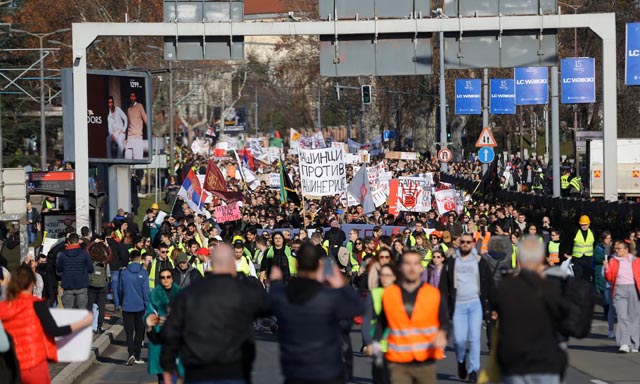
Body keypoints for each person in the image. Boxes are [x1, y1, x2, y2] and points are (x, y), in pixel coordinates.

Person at [160, 244, 271, 383]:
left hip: (198, 368)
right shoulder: (242, 291)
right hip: (233, 368)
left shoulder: (190, 293)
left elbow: (170, 331)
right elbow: (266, 307)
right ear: (232, 263)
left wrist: (168, 365)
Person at [269, 243, 363, 384]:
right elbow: (357, 307)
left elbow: (269, 299)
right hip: (327, 371)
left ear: (296, 264)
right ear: (319, 266)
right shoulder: (329, 296)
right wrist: (341, 285)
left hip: (295, 371)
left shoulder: (281, 295)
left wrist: (275, 282)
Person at [0, 266, 93, 384]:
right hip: (34, 365)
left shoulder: (3, 306)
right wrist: (82, 323)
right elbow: (54, 330)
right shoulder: (36, 305)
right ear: (32, 283)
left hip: (11, 367)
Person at [494, 236, 568, 384]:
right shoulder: (552, 289)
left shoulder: (505, 289)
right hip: (546, 362)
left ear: (519, 260)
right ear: (541, 258)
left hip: (514, 363)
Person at [370, 250, 449, 384]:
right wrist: (375, 344)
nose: (412, 268)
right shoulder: (390, 294)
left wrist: (443, 334)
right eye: (407, 263)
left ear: (421, 268)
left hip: (425, 362)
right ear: (400, 268)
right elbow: (382, 323)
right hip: (398, 361)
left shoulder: (433, 294)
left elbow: (445, 323)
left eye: (415, 263)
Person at [439, 232, 495, 383]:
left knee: (475, 338)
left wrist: (494, 306)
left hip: (475, 303)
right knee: (459, 340)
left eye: (468, 242)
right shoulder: (451, 261)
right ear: (459, 243)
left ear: (473, 243)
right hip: (458, 304)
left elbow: (489, 283)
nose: (465, 244)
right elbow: (443, 285)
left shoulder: (479, 261)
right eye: (462, 242)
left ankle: (473, 370)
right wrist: (442, 305)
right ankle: (461, 361)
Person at [144, 268, 182, 384]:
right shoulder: (154, 294)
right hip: (159, 334)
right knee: (162, 373)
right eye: (162, 277)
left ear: (172, 278)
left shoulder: (180, 293)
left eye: (168, 277)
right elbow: (148, 313)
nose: (165, 280)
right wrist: (151, 320)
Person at [362, 263, 398, 384]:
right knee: (380, 379)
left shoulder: (402, 294)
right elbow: (366, 320)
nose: (385, 278)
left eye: (388, 275)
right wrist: (368, 342)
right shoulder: (374, 294)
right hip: (378, 345)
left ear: (395, 277)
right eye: (382, 275)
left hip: (398, 346)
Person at [604, 240, 640, 353]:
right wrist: (606, 269)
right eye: (616, 249)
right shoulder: (613, 261)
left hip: (634, 289)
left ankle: (634, 344)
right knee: (622, 316)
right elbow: (609, 278)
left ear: (626, 249)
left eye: (619, 248)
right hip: (619, 290)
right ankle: (624, 343)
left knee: (634, 317)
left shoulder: (636, 261)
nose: (616, 250)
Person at [119, 250, 150, 366]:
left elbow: (120, 289)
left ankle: (130, 353)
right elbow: (146, 291)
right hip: (140, 306)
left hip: (127, 306)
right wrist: (148, 305)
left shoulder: (124, 273)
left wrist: (120, 302)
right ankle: (137, 355)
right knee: (139, 331)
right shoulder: (143, 273)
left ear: (130, 259)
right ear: (139, 259)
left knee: (128, 332)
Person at [56, 233, 94, 309]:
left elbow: (58, 269)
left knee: (68, 312)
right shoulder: (84, 254)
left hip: (68, 285)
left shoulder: (62, 255)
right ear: (78, 241)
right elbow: (91, 269)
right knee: (82, 310)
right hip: (82, 284)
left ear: (69, 242)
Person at [570, 215, 595, 282]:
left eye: (585, 224)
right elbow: (569, 243)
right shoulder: (575, 232)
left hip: (588, 258)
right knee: (578, 278)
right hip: (577, 259)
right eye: (582, 224)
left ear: (589, 224)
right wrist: (568, 253)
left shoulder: (592, 232)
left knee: (587, 278)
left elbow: (595, 244)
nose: (584, 226)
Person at [125, 91, 148, 160]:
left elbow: (146, 119)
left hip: (137, 138)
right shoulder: (129, 109)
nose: (132, 98)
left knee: (138, 163)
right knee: (126, 160)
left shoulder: (139, 106)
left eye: (133, 96)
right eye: (131, 96)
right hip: (130, 138)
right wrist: (127, 137)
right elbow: (129, 124)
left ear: (136, 97)